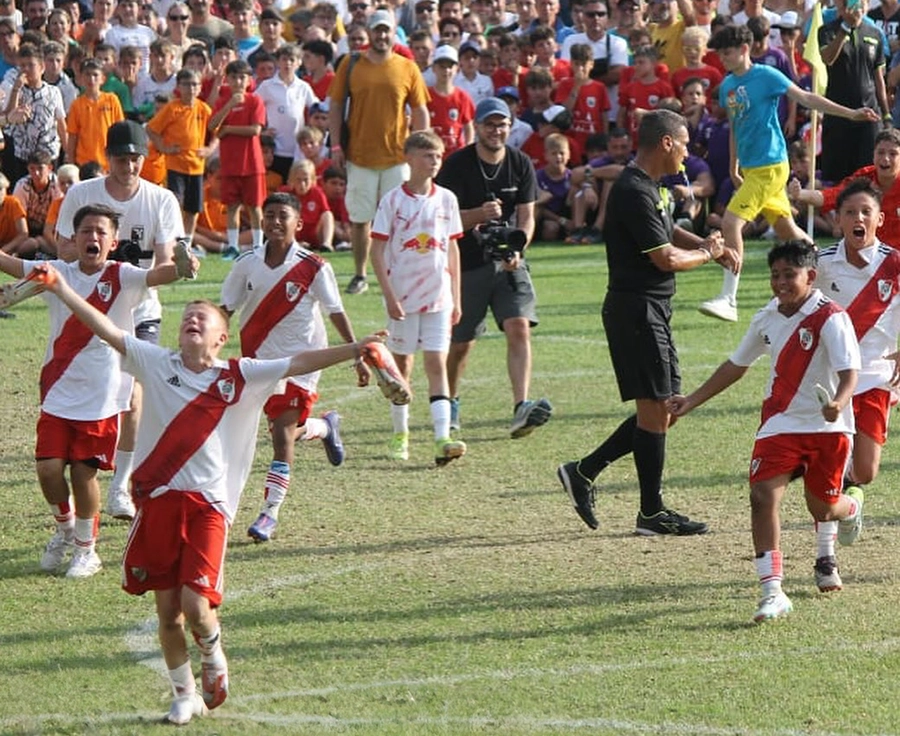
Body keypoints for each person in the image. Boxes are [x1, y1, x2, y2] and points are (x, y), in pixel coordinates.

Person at [39, 262, 386, 726]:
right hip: (158, 502)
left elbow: (301, 361)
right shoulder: (155, 362)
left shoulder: (241, 375)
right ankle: (183, 694)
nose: (192, 321)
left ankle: (214, 654)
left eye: (204, 319)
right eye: (187, 316)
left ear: (222, 338)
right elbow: (105, 329)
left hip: (208, 507)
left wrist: (356, 348)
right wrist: (62, 288)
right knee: (166, 613)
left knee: (196, 609)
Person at [670, 241, 864, 622]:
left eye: (788, 275)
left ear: (810, 276)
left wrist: (839, 403)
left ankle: (852, 506)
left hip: (829, 427)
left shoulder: (831, 317)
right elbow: (736, 365)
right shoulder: (767, 317)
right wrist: (690, 401)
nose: (779, 283)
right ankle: (772, 590)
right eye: (774, 275)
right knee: (762, 496)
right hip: (780, 423)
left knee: (823, 507)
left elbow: (849, 372)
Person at [0, 204, 195, 579]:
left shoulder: (123, 276)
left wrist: (185, 267)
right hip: (58, 387)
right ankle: (65, 529)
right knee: (47, 470)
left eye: (101, 232)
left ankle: (87, 551)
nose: (93, 238)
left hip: (103, 394)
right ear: (72, 239)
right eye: (86, 231)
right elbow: (11, 267)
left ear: (113, 241)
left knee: (83, 475)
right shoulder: (55, 273)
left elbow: (161, 274)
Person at [557, 109, 727, 536]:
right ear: (667, 142)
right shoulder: (633, 190)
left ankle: (584, 471)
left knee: (666, 410)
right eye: (685, 143)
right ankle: (650, 514)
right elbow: (664, 257)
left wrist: (707, 243)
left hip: (651, 311)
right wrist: (708, 255)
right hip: (636, 311)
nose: (689, 152)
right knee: (656, 411)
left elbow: (668, 232)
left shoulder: (651, 187)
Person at [698, 24, 879, 324]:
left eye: (727, 53)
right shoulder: (728, 86)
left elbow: (807, 98)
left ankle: (729, 298)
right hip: (752, 168)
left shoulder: (767, 76)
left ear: (744, 49)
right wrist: (733, 166)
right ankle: (831, 273)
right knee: (786, 231)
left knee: (731, 223)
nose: (723, 59)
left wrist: (851, 113)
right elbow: (736, 128)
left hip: (771, 165)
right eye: (720, 54)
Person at [221, 192, 370, 542]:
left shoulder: (314, 266)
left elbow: (335, 311)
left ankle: (269, 513)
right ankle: (323, 427)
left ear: (298, 224)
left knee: (282, 435)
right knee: (278, 431)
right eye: (269, 214)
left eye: (282, 216)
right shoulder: (246, 263)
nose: (274, 221)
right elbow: (226, 308)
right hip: (258, 360)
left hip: (302, 361)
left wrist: (355, 353)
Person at [56, 120, 184, 519]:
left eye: (135, 159)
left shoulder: (160, 199)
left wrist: (169, 266)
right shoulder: (82, 193)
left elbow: (165, 260)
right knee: (95, 388)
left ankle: (121, 487)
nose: (128, 166)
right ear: (107, 158)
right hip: (88, 308)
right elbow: (61, 247)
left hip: (139, 308)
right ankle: (82, 455)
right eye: (120, 158)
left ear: (144, 159)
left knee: (133, 395)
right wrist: (101, 260)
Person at [435, 96, 553, 438]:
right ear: (476, 127)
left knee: (519, 326)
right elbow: (442, 218)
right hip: (467, 263)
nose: (496, 130)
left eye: (502, 124)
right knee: (462, 343)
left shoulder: (521, 163)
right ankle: (450, 401)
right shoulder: (456, 166)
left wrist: (518, 248)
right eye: (490, 124)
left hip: (509, 262)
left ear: (510, 127)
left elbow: (528, 217)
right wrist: (478, 215)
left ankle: (521, 406)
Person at [370, 130, 467, 464]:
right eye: (428, 155)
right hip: (403, 297)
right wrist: (389, 295)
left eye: (438, 156)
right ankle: (401, 434)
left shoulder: (447, 200)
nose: (434, 161)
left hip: (439, 297)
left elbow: (452, 248)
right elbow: (377, 249)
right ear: (409, 158)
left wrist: (456, 296)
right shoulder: (393, 201)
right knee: (402, 367)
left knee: (436, 362)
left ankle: (442, 437)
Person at [815, 179, 900, 547]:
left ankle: (850, 500)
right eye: (850, 212)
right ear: (838, 220)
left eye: (866, 212)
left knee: (865, 471)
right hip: (832, 380)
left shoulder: (895, 264)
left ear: (880, 219)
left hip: (878, 375)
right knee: (829, 460)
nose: (858, 218)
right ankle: (826, 549)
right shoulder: (822, 264)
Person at [328, 9, 430, 295]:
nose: (382, 35)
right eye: (377, 30)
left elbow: (420, 110)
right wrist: (336, 145)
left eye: (386, 30)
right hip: (359, 156)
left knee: (401, 220)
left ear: (393, 31)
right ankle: (360, 274)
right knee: (361, 220)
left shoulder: (407, 67)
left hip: (398, 157)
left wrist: (420, 149)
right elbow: (335, 106)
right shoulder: (351, 63)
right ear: (369, 32)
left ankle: (399, 273)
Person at [789, 129, 900, 249]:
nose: (886, 158)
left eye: (893, 154)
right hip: (869, 255)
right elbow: (832, 196)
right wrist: (800, 193)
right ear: (873, 154)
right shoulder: (864, 177)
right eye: (881, 152)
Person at [819, 0, 890, 184]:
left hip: (869, 115)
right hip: (838, 113)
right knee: (838, 177)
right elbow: (828, 59)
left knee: (868, 175)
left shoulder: (874, 33)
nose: (854, 6)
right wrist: (845, 28)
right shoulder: (827, 30)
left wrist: (886, 114)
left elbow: (878, 78)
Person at [146, 67, 215, 241]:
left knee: (193, 208)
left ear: (200, 88)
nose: (191, 88)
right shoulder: (172, 108)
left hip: (197, 166)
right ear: (178, 87)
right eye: (186, 84)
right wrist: (164, 148)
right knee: (175, 203)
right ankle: (170, 238)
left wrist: (210, 149)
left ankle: (187, 242)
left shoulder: (204, 109)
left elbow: (218, 132)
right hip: (176, 164)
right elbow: (152, 129)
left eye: (195, 84)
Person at [208, 59, 266, 259]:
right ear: (228, 80)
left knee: (255, 207)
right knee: (232, 206)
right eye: (233, 77)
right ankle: (233, 246)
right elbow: (212, 126)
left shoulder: (255, 100)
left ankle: (259, 246)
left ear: (249, 79)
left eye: (242, 77)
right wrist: (229, 106)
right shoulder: (223, 101)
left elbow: (255, 130)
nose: (238, 81)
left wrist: (229, 130)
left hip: (252, 163)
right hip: (230, 164)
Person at [65, 58, 125, 171]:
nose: (91, 79)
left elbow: (120, 130)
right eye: (87, 74)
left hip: (108, 162)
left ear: (103, 79)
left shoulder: (111, 100)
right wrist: (71, 163)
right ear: (81, 78)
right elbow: (73, 136)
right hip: (84, 163)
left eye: (95, 75)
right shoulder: (76, 104)